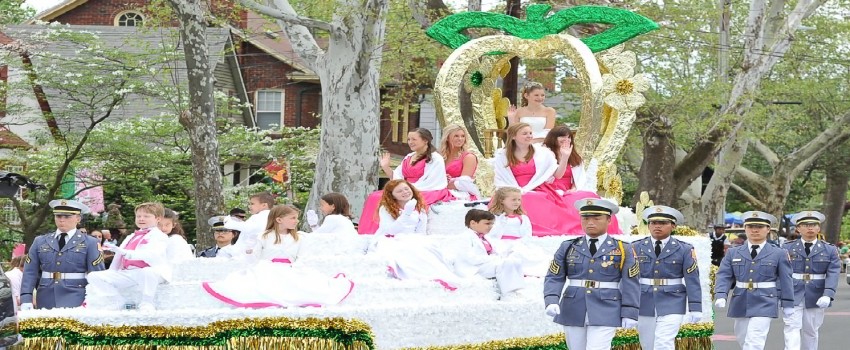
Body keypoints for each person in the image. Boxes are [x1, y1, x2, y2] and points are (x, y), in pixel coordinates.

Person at [201, 205, 353, 308]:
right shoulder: (264, 236)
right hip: (267, 268)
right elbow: (253, 259)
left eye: (296, 218)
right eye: (292, 218)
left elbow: (303, 257)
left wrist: (296, 268)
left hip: (292, 269)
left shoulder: (300, 237)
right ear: (279, 220)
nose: (296, 221)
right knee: (259, 284)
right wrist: (249, 248)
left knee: (311, 287)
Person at [544, 198, 640, 350]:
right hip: (573, 306)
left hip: (607, 306)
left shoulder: (623, 248)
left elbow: (631, 282)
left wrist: (630, 311)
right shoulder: (569, 246)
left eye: (596, 218)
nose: (590, 222)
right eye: (586, 218)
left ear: (609, 220)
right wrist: (551, 299)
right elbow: (555, 276)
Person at [714, 211, 794, 350]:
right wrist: (721, 294)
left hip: (766, 300)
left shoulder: (778, 253)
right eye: (750, 226)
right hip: (741, 300)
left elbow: (785, 279)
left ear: (768, 229)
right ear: (745, 228)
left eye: (759, 227)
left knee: (755, 339)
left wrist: (787, 303)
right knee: (743, 337)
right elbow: (724, 275)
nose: (755, 230)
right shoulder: (733, 252)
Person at [359, 128, 452, 234]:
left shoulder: (435, 158)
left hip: (427, 189)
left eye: (414, 139)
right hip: (407, 187)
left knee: (382, 198)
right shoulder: (409, 157)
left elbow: (432, 180)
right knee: (374, 197)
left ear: (425, 140)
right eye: (408, 139)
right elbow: (397, 178)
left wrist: (409, 188)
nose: (410, 142)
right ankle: (368, 233)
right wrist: (386, 167)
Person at [634, 206, 702, 350]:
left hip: (673, 299)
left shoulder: (684, 249)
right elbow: (628, 280)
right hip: (644, 300)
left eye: (663, 223)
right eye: (653, 222)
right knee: (648, 343)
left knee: (664, 341)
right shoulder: (636, 247)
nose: (657, 226)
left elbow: (692, 280)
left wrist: (695, 307)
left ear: (673, 226)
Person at [493, 122, 577, 236]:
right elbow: (501, 177)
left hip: (539, 188)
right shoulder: (502, 155)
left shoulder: (543, 153)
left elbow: (557, 175)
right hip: (512, 188)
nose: (529, 136)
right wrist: (515, 190)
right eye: (524, 133)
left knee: (531, 198)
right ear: (513, 136)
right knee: (515, 198)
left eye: (530, 133)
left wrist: (565, 157)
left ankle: (538, 228)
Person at [85, 202, 171, 311]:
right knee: (94, 276)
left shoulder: (159, 236)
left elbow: (152, 254)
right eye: (138, 216)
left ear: (158, 218)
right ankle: (116, 300)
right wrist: (113, 260)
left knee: (148, 272)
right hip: (128, 272)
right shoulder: (131, 236)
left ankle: (147, 302)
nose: (141, 219)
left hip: (150, 272)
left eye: (146, 216)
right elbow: (120, 254)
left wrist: (126, 253)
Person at [20, 199, 105, 310]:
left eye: (67, 217)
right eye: (58, 216)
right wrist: (26, 298)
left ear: (78, 219)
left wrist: (97, 300)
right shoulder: (40, 241)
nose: (62, 220)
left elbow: (97, 275)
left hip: (77, 296)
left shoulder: (90, 242)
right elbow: (29, 272)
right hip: (46, 297)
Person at [542, 125, 619, 235]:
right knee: (566, 202)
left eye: (569, 137)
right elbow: (553, 176)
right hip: (551, 188)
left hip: (569, 189)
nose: (566, 140)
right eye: (562, 137)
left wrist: (574, 189)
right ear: (553, 138)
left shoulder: (575, 157)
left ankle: (601, 228)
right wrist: (564, 157)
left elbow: (578, 179)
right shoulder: (545, 154)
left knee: (590, 197)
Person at [782, 211, 840, 350]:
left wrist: (828, 294)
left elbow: (833, 273)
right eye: (805, 225)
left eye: (813, 225)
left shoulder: (829, 249)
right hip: (793, 293)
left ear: (818, 228)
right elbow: (781, 273)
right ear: (798, 228)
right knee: (791, 327)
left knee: (811, 331)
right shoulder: (787, 248)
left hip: (816, 294)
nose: (810, 228)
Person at [453, 209, 525, 300]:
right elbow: (470, 258)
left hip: (487, 264)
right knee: (505, 264)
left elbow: (494, 252)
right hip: (475, 267)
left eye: (491, 224)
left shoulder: (486, 237)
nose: (490, 226)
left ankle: (515, 290)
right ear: (473, 223)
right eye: (487, 224)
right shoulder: (465, 237)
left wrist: (506, 252)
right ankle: (507, 293)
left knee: (515, 261)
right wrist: (492, 259)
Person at [439, 124, 480, 200]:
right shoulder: (440, 157)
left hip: (462, 196)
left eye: (463, 136)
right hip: (443, 192)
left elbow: (463, 183)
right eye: (456, 136)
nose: (460, 139)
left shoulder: (469, 157)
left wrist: (442, 183)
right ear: (447, 138)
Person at [232, 192, 274, 256]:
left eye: (252, 204)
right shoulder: (272, 216)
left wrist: (230, 222)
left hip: (251, 250)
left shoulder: (258, 217)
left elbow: (246, 228)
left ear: (264, 205)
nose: (249, 206)